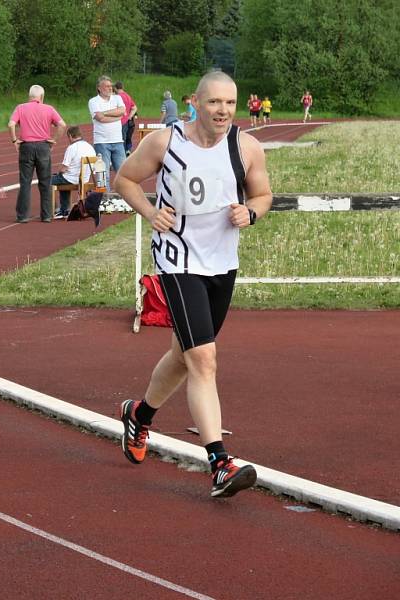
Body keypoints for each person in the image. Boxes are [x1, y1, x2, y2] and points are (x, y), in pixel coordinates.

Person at [113, 70, 273, 498]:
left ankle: (139, 415)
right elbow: (124, 179)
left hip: (222, 263)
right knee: (204, 359)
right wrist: (150, 212)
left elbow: (263, 195)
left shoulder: (246, 146)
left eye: (230, 104)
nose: (222, 111)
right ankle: (220, 462)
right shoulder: (166, 143)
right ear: (196, 103)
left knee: (184, 355)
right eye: (214, 103)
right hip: (178, 260)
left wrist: (251, 213)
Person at [8, 85, 67, 223]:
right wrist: (54, 140)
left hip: (26, 146)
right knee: (45, 182)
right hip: (43, 146)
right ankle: (46, 215)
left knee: (25, 182)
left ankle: (22, 216)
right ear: (42, 96)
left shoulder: (20, 108)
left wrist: (14, 140)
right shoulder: (49, 108)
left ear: (29, 96)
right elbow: (62, 125)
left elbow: (11, 124)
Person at [49, 125, 96, 218]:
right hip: (85, 179)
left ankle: (55, 209)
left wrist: (59, 171)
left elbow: (64, 168)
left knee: (46, 181)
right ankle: (64, 210)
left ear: (70, 136)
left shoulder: (72, 148)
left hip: (72, 178)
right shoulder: (90, 147)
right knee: (62, 181)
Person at [89, 76, 126, 176]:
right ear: (99, 88)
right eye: (107, 86)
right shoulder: (93, 101)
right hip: (102, 143)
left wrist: (104, 113)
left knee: (123, 175)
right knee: (103, 176)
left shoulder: (117, 98)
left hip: (118, 141)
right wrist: (117, 117)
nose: (110, 88)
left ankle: (122, 192)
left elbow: (122, 110)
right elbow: (100, 118)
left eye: (111, 86)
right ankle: (105, 192)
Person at [114, 81, 138, 155]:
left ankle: (121, 156)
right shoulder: (127, 96)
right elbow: (134, 108)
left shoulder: (118, 97)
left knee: (120, 139)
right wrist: (129, 117)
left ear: (115, 88)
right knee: (126, 138)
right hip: (126, 122)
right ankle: (126, 153)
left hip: (119, 121)